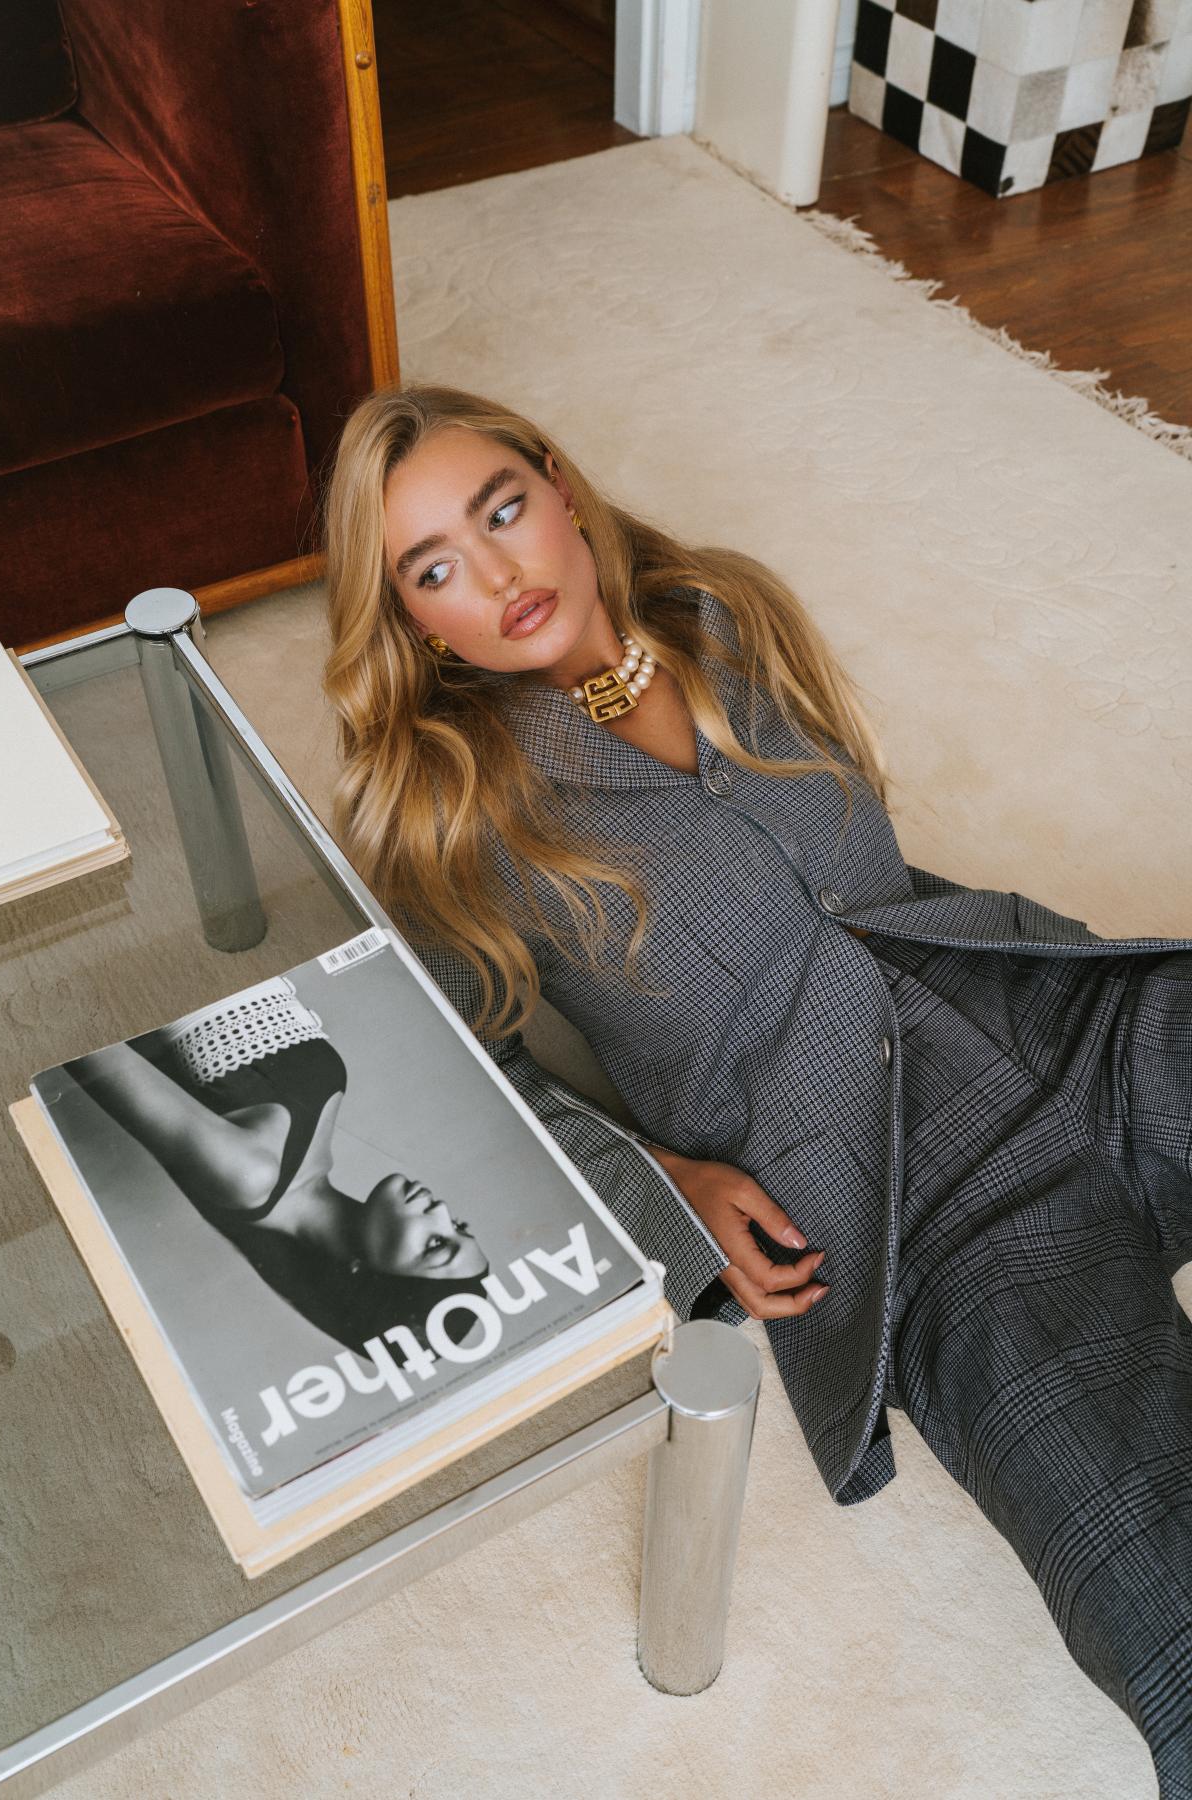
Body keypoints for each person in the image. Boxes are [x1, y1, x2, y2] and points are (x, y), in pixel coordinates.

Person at [320, 382, 1192, 1793]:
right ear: (416, 623)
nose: (496, 571)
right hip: (909, 1204)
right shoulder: (453, 816)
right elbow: (458, 1085)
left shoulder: (727, 618)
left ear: (557, 486)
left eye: (502, 510)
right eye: (433, 568)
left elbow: (861, 873)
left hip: (1060, 1014)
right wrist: (664, 1185)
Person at [65, 975, 491, 1359]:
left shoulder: (248, 1177)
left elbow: (77, 1030)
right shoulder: (310, 1165)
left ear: (365, 1276)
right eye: (459, 1226)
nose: (441, 1211)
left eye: (436, 1244)